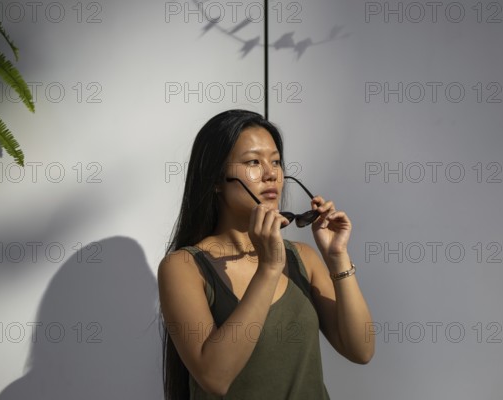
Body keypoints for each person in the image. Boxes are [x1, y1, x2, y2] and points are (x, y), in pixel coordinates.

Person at [158, 109, 374, 399]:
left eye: (275, 161)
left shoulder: (303, 258)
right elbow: (214, 377)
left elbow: (361, 350)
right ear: (216, 180)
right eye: (253, 162)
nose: (271, 173)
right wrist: (269, 268)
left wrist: (337, 257)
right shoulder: (184, 267)